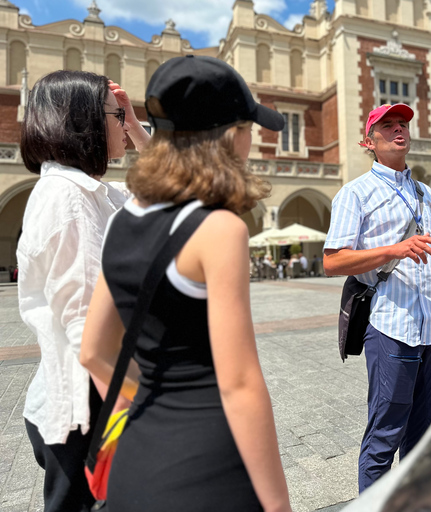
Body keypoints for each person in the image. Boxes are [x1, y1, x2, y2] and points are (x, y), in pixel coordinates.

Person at [79, 56, 291, 511]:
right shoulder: (219, 229)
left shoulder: (123, 222)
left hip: (137, 463)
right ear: (231, 135)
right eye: (249, 127)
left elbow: (93, 352)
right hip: (209, 467)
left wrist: (149, 404)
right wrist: (278, 505)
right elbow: (239, 384)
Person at [323, 103, 431, 493]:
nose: (399, 130)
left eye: (403, 124)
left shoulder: (424, 193)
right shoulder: (354, 193)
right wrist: (392, 249)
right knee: (384, 435)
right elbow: (332, 260)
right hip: (392, 328)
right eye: (388, 125)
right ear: (369, 141)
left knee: (425, 438)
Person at [17, 70, 149, 512]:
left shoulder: (89, 192)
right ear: (84, 120)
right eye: (116, 117)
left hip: (91, 397)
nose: (125, 128)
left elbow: (172, 188)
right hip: (87, 406)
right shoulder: (68, 198)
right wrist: (132, 413)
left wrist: (132, 121)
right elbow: (88, 325)